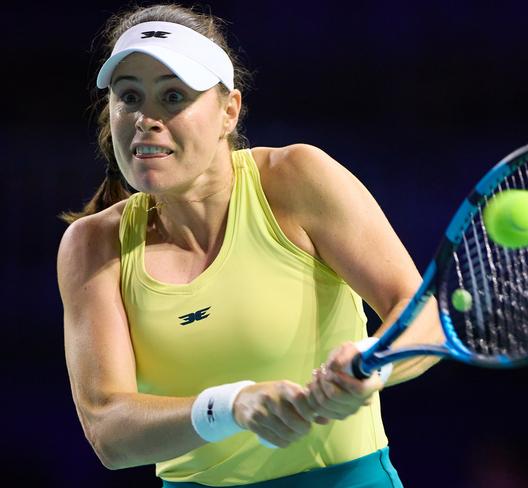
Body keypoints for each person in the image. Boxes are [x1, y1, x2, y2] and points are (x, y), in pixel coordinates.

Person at [57, 4, 444, 487]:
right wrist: (232, 405)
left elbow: (421, 310)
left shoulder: (296, 178)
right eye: (128, 97)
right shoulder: (92, 245)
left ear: (229, 111)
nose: (145, 119)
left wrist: (374, 364)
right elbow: (109, 431)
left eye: (173, 96)